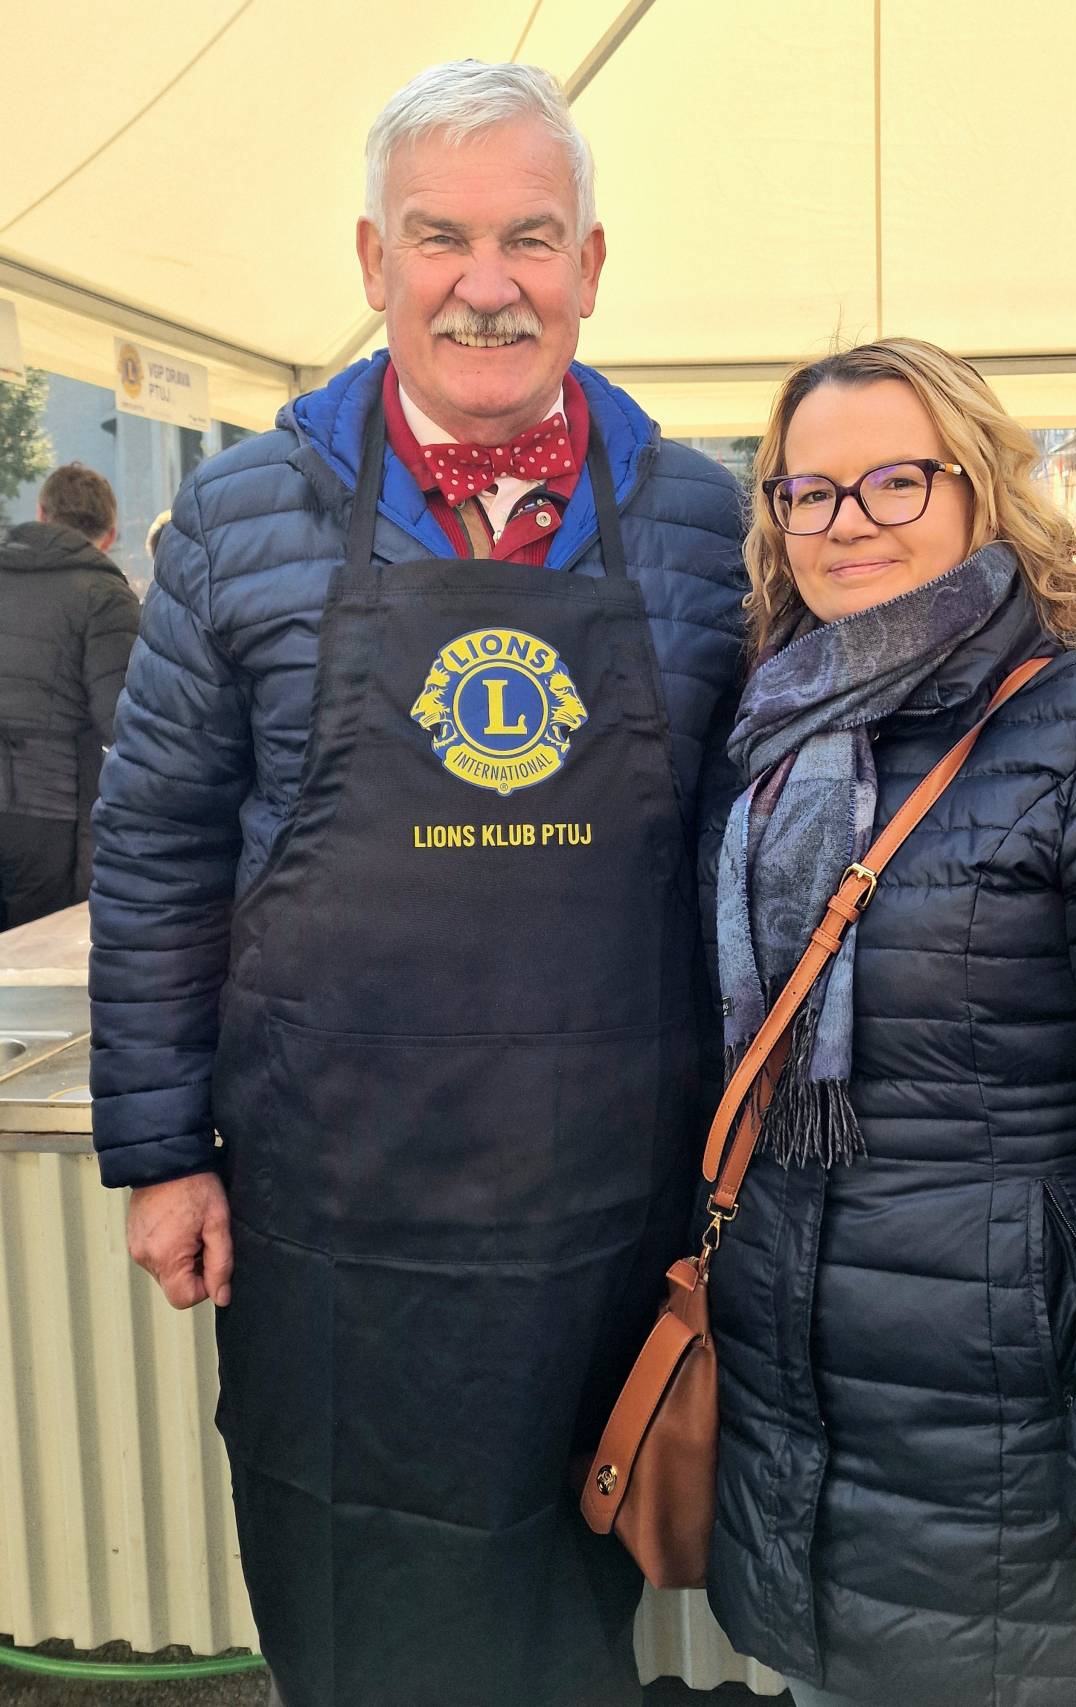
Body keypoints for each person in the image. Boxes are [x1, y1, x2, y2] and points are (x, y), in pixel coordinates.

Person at [89, 61, 745, 1707]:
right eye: (442, 237)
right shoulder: (240, 514)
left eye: (531, 236)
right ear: (376, 261)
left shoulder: (702, 522)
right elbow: (158, 847)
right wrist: (161, 1151)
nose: (486, 282)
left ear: (592, 264)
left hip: (616, 1199)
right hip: (332, 1207)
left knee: (569, 1591)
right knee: (362, 1592)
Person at [705, 339, 1076, 1707]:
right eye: (808, 491)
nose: (847, 522)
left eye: (895, 480)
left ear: (980, 487)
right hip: (808, 1418)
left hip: (1019, 1427)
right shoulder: (772, 730)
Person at [0, 462, 138, 929]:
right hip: (49, 812)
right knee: (32, 954)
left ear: (41, 513)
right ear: (110, 535)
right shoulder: (106, 594)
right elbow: (120, 717)